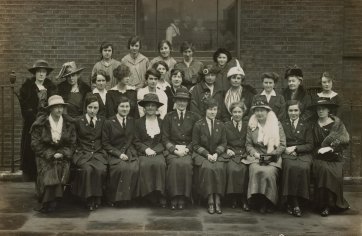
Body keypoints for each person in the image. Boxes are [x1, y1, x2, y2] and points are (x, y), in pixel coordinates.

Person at [30, 95, 76, 213]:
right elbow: (35, 144)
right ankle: (48, 201)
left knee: (60, 167)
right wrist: (50, 153)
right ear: (50, 109)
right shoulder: (40, 124)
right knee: (50, 169)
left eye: (61, 107)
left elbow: (72, 143)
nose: (59, 110)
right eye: (56, 107)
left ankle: (53, 200)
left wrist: (62, 153)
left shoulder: (69, 123)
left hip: (63, 154)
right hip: (45, 154)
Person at [244, 96, 286, 213]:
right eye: (257, 110)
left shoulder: (276, 124)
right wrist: (255, 154)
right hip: (256, 157)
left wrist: (271, 156)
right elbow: (248, 145)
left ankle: (269, 201)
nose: (259, 113)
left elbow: (282, 145)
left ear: (267, 111)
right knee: (255, 170)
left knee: (269, 172)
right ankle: (258, 201)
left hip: (272, 156)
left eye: (262, 110)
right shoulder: (252, 125)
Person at [309, 97, 350, 216]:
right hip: (318, 156)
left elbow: (345, 141)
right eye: (318, 109)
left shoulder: (337, 124)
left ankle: (334, 203)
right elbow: (311, 143)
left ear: (328, 110)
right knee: (323, 170)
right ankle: (324, 205)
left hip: (334, 156)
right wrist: (319, 150)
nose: (320, 111)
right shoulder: (313, 125)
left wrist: (331, 148)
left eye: (323, 109)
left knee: (336, 173)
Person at [162, 88, 201, 210]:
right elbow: (165, 138)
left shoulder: (194, 117)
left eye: (184, 100)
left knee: (186, 164)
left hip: (188, 151)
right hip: (173, 151)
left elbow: (196, 138)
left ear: (188, 102)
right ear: (175, 101)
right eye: (179, 100)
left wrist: (188, 149)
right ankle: (174, 196)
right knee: (174, 164)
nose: (181, 103)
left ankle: (183, 197)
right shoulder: (168, 117)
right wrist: (173, 150)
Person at [19, 60, 56, 181]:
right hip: (33, 122)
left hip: (47, 123)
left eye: (43, 72)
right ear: (35, 73)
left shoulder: (50, 88)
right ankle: (31, 173)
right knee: (32, 146)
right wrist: (33, 118)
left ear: (46, 74)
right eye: (39, 72)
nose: (41, 74)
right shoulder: (27, 88)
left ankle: (45, 173)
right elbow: (24, 107)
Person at [72, 95, 107, 211]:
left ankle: (97, 197)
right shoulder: (78, 121)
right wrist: (78, 151)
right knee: (87, 170)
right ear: (85, 107)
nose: (92, 111)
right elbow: (74, 140)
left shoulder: (102, 121)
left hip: (98, 153)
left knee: (101, 170)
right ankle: (88, 198)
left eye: (95, 108)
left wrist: (102, 151)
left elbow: (105, 140)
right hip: (83, 154)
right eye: (90, 107)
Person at [192, 98, 227, 214]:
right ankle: (210, 200)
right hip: (202, 155)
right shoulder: (198, 125)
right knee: (207, 168)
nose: (212, 112)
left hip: (217, 154)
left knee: (219, 168)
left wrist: (217, 153)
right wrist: (207, 155)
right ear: (205, 110)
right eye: (210, 109)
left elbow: (223, 143)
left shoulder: (220, 125)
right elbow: (195, 145)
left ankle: (218, 198)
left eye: (215, 109)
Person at [102, 96, 139, 206]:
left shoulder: (132, 121)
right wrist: (119, 154)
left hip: (129, 152)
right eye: (122, 106)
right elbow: (105, 144)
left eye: (127, 106)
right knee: (121, 168)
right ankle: (115, 198)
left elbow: (134, 139)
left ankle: (128, 198)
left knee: (134, 168)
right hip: (114, 152)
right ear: (116, 107)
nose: (125, 109)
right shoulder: (109, 122)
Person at [281, 100, 314, 217]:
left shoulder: (306, 125)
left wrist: (295, 148)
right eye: (290, 110)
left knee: (304, 168)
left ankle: (301, 200)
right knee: (290, 167)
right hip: (287, 153)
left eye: (296, 110)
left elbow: (310, 145)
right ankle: (292, 201)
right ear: (287, 111)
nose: (293, 113)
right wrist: (287, 150)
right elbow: (278, 142)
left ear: (300, 111)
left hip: (303, 154)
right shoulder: (282, 124)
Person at [134, 93, 167, 207]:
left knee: (160, 164)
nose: (150, 108)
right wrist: (146, 149)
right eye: (148, 105)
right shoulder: (138, 122)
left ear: (157, 107)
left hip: (158, 151)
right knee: (144, 164)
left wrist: (156, 151)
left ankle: (159, 193)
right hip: (144, 152)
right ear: (144, 107)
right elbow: (136, 140)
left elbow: (164, 140)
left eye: (153, 105)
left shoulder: (162, 122)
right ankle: (147, 195)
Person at [224, 101, 250, 211]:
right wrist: (227, 149)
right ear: (231, 113)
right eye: (235, 112)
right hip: (231, 154)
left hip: (244, 153)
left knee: (245, 169)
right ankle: (233, 197)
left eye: (239, 112)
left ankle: (243, 198)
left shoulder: (248, 125)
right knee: (232, 169)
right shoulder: (225, 125)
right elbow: (221, 141)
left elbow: (250, 142)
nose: (237, 114)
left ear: (243, 112)